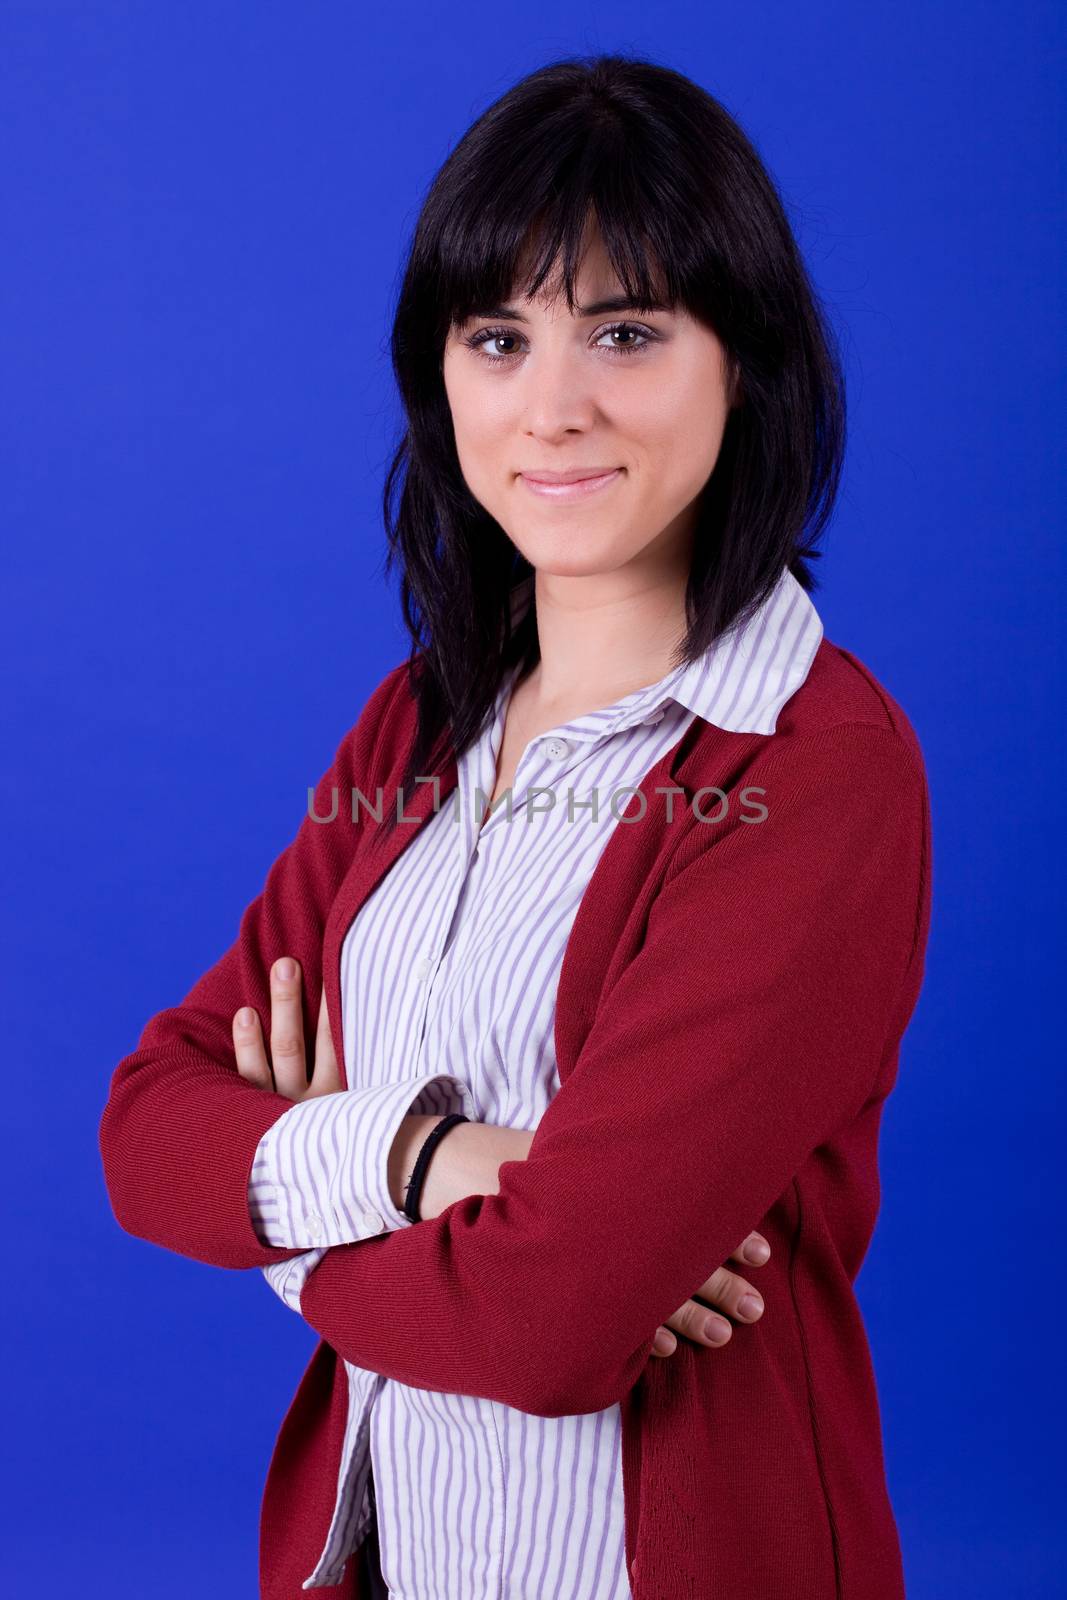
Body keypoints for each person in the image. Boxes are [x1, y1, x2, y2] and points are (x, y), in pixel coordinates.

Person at [99, 54, 932, 1600]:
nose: (554, 407)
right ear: (446, 376)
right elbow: (147, 1128)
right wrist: (436, 1162)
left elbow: (555, 1324)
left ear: (740, 359)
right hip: (385, 1557)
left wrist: (288, 1209)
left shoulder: (816, 763)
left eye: (627, 331)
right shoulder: (417, 727)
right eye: (500, 337)